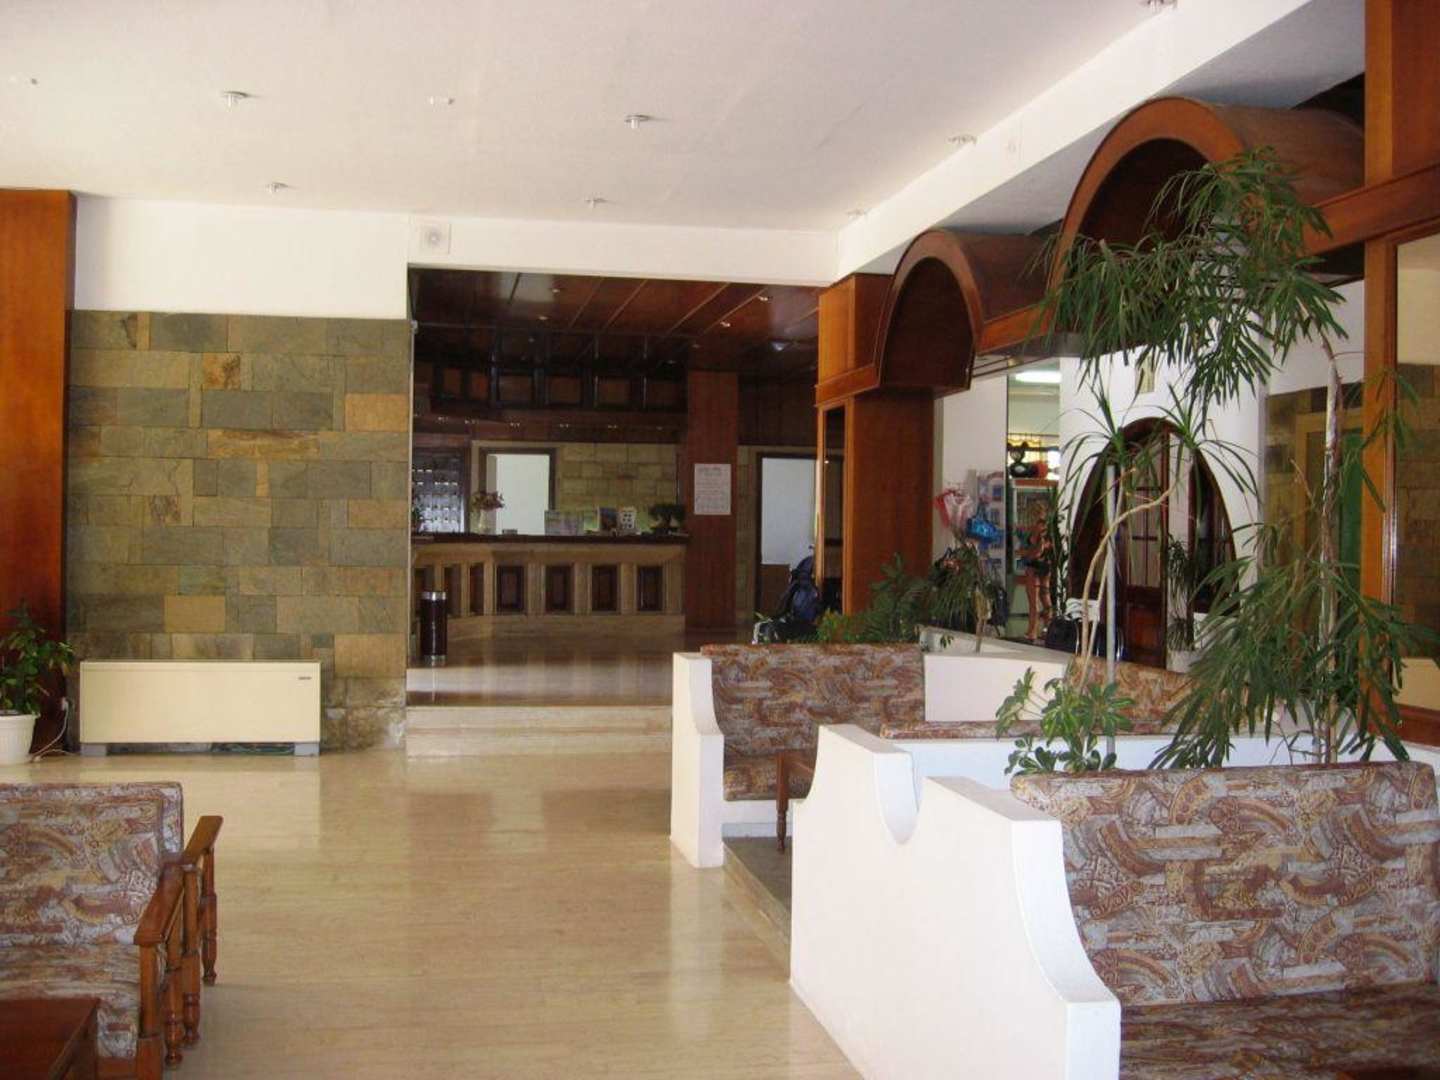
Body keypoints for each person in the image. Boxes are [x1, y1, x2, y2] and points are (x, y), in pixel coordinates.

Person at [1017, 502, 1054, 642]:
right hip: (1046, 566)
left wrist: (1025, 553)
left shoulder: (1038, 529)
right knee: (1046, 599)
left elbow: (1038, 550)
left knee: (1033, 601)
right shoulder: (1047, 528)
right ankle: (1048, 629)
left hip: (1034, 567)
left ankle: (1032, 631)